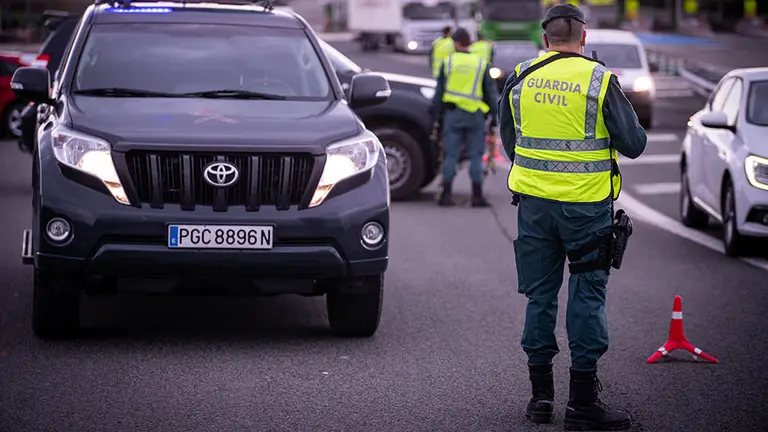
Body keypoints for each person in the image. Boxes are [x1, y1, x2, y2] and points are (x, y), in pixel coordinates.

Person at [497, 4, 646, 431]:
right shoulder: (599, 80)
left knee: (540, 295)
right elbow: (634, 144)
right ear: (584, 38)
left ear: (545, 40)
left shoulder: (520, 77)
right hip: (585, 208)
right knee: (586, 294)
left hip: (534, 208)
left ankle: (540, 399)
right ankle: (582, 403)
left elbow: (511, 139)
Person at [431, 28, 499, 207]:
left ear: (457, 43)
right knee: (476, 155)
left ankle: (446, 195)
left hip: (452, 115)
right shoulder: (481, 63)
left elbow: (438, 95)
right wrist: (494, 117)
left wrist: (436, 118)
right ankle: (477, 196)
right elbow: (490, 93)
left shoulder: (448, 62)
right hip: (475, 116)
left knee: (450, 155)